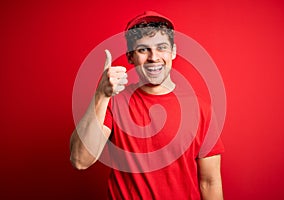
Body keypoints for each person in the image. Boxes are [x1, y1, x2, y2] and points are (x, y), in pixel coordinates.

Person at [70, 11, 224, 200]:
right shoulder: (114, 102)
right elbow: (80, 160)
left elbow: (210, 182)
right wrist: (101, 95)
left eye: (162, 48)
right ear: (129, 57)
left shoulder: (200, 108)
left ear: (173, 51)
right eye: (143, 49)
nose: (153, 57)